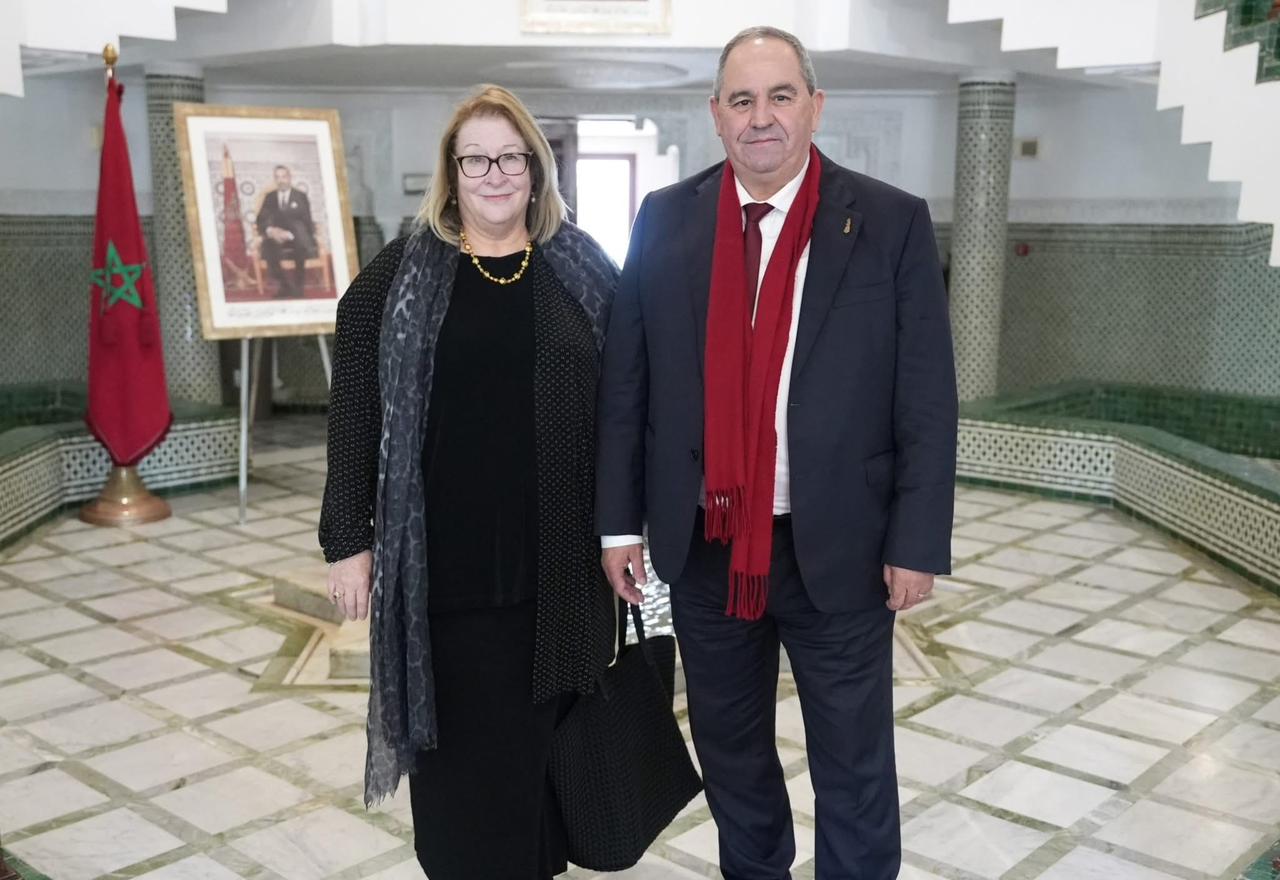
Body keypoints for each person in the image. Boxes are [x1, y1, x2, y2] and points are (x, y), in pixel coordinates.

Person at [596, 26, 958, 880]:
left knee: (854, 763)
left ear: (815, 107)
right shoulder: (665, 219)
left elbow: (925, 398)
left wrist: (916, 542)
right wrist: (619, 525)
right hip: (707, 545)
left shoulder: (890, 222)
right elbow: (627, 385)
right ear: (716, 114)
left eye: (781, 96)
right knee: (730, 753)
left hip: (844, 548)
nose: (762, 117)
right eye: (743, 100)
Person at [318, 84, 619, 880]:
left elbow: (630, 403)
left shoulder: (581, 267)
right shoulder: (402, 274)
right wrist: (347, 540)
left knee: (538, 765)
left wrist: (630, 525)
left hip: (558, 573)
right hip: (442, 580)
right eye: (475, 159)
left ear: (536, 169)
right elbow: (354, 406)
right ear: (451, 173)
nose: (495, 174)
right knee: (460, 770)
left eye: (511, 157)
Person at [256, 164, 317, 297]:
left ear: (289, 177)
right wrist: (271, 230)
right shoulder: (270, 197)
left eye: (283, 177)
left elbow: (306, 221)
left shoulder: (300, 196)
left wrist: (289, 234)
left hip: (296, 236)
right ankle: (285, 287)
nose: (281, 180)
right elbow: (261, 219)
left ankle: (298, 288)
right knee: (267, 247)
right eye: (277, 177)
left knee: (300, 244)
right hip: (276, 237)